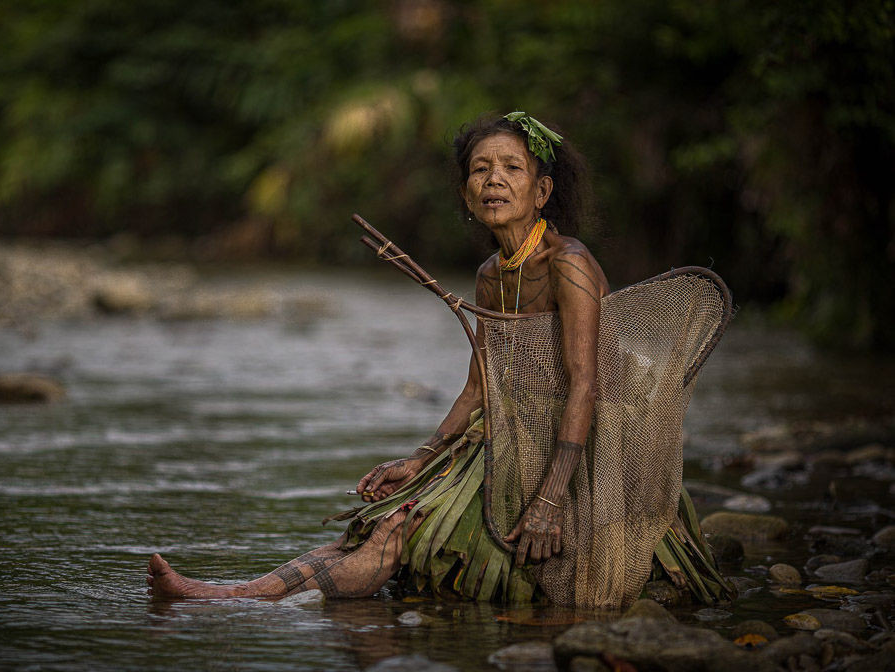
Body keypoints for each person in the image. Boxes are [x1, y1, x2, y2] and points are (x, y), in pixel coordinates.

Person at [147, 112, 724, 607]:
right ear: (467, 193)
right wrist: (418, 459)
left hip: (587, 457)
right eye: (480, 170)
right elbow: (479, 390)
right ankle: (233, 594)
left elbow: (585, 388)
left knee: (400, 532)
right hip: (507, 440)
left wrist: (549, 501)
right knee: (381, 520)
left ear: (542, 191)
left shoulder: (568, 264)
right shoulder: (489, 277)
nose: (493, 180)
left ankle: (234, 598)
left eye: (511, 168)